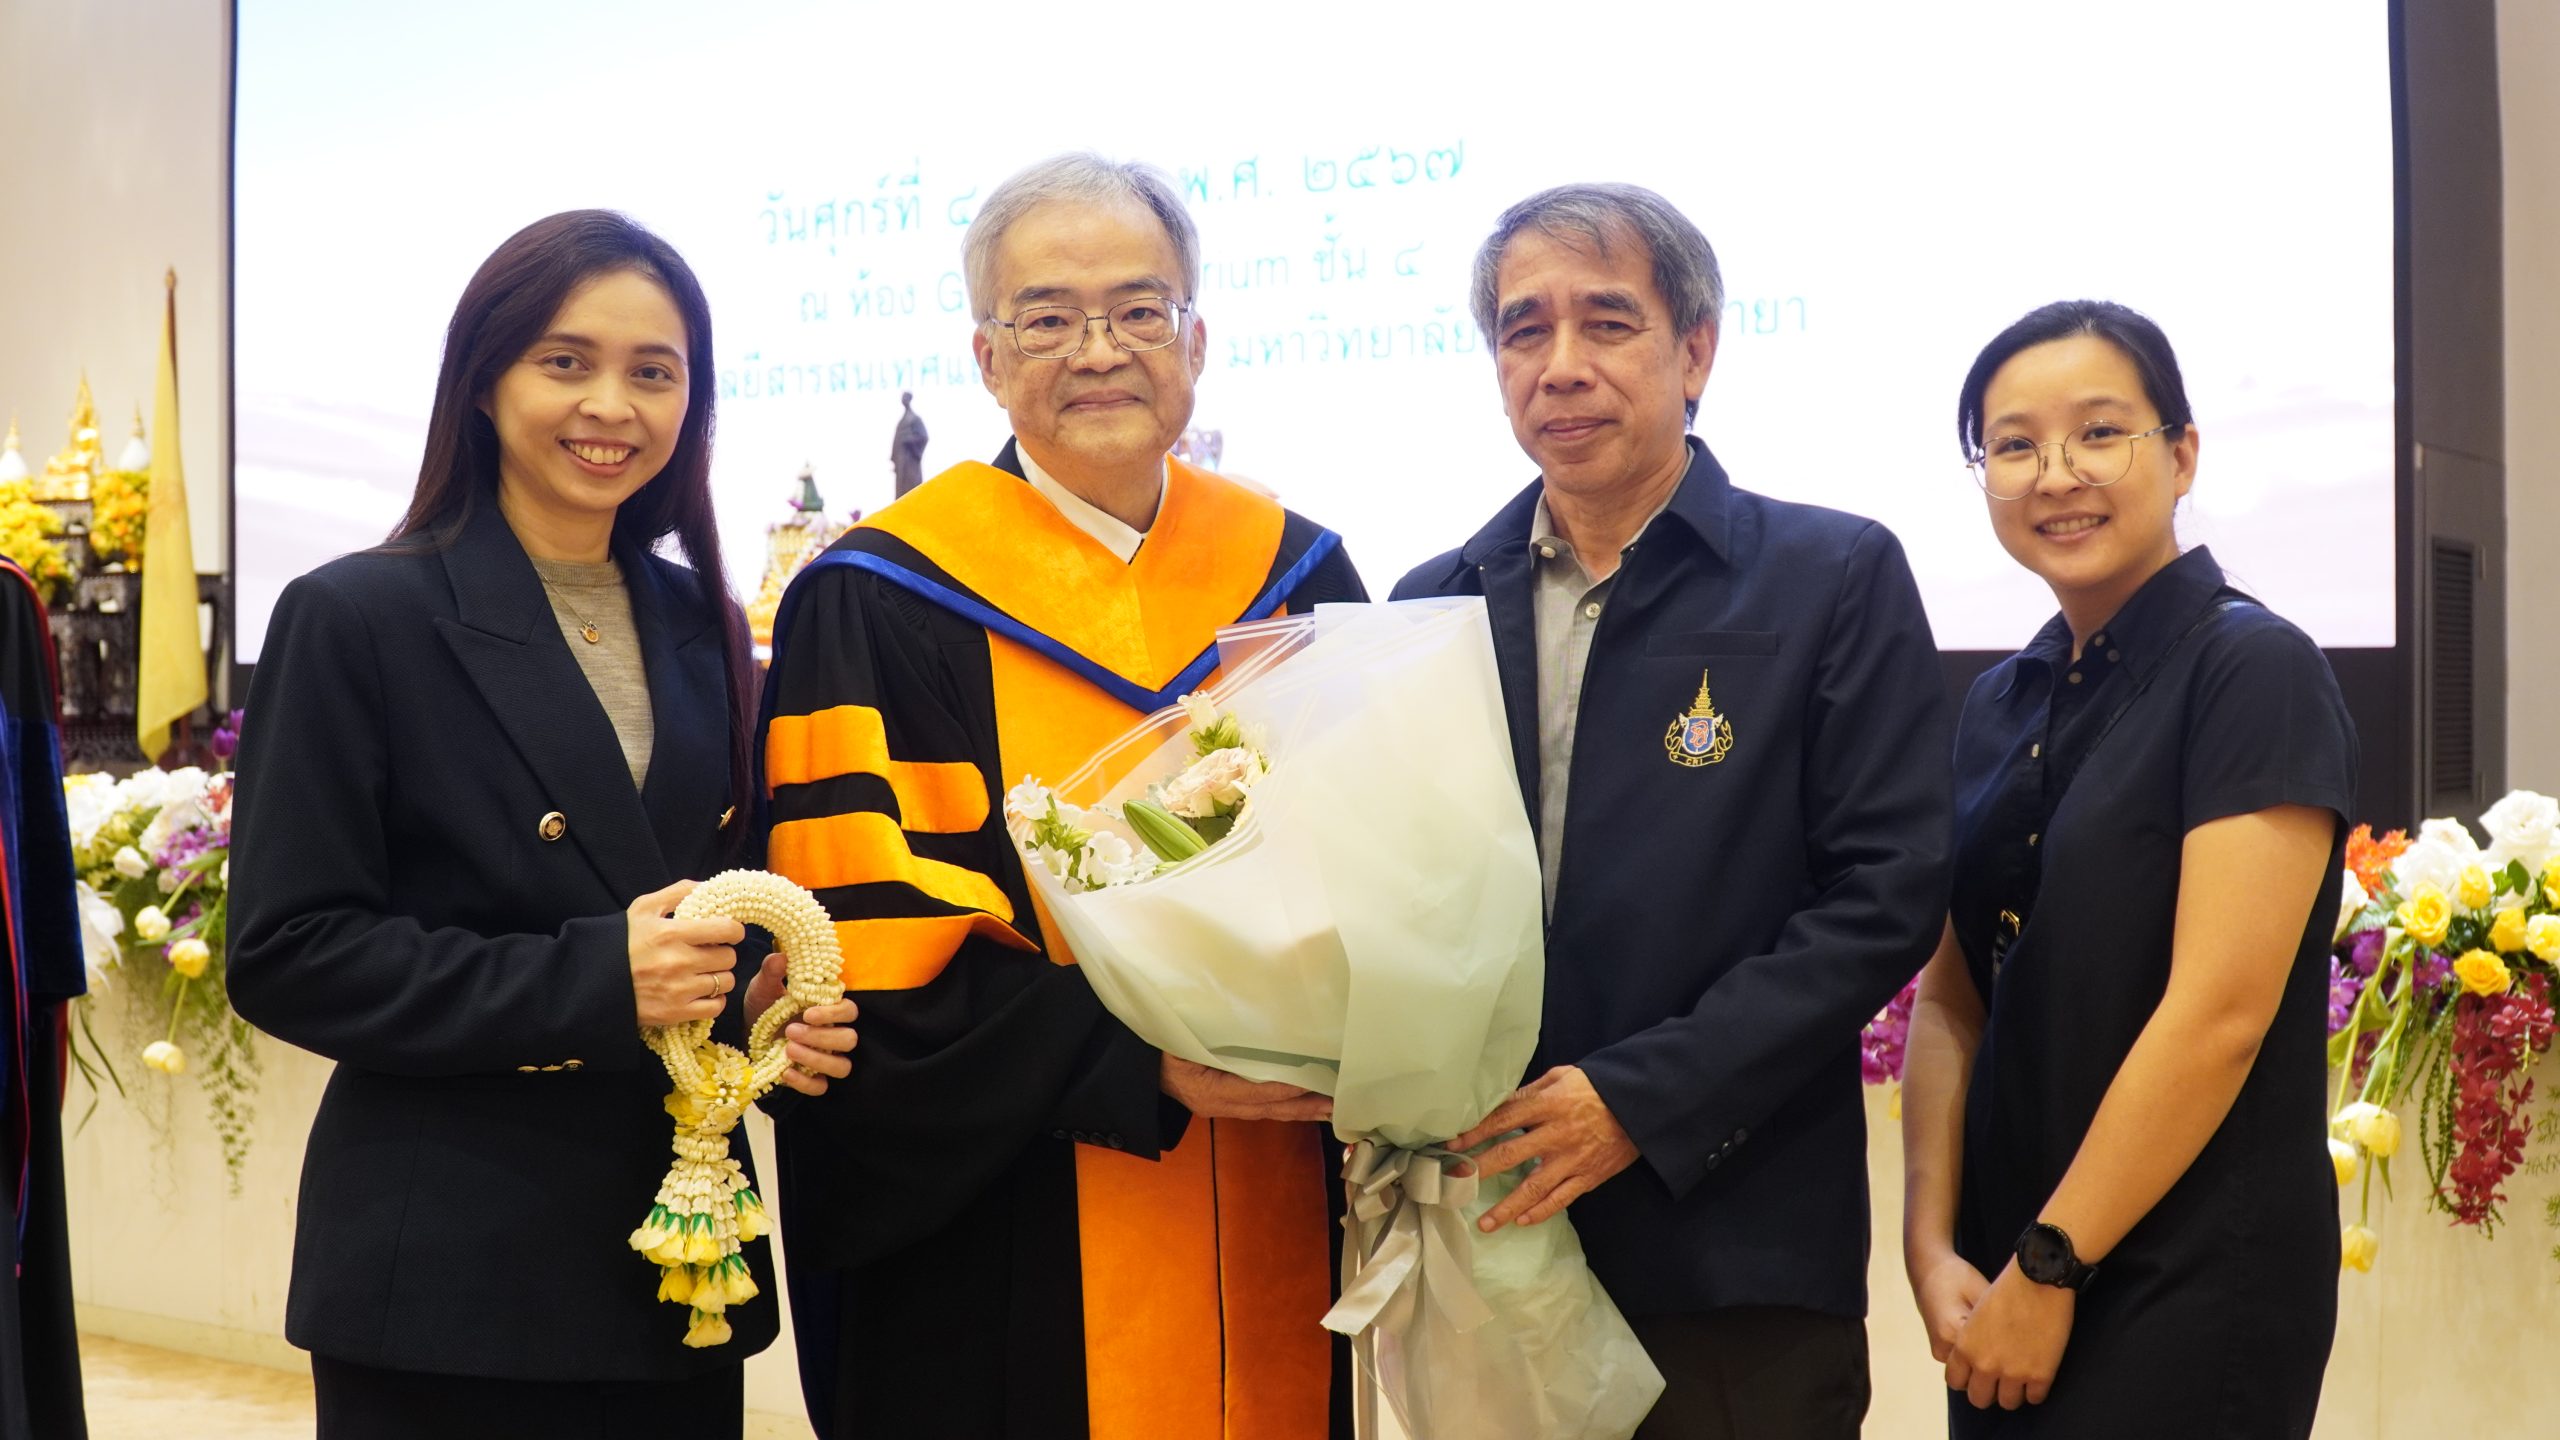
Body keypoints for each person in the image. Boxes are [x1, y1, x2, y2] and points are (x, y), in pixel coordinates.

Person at [757, 153, 1366, 1440]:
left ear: (1194, 341)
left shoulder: (1297, 575)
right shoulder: (875, 600)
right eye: (1047, 319)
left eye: (1139, 310)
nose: (1099, 351)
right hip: (1002, 1251)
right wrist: (1138, 1062)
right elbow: (861, 963)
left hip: (1271, 1176)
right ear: (986, 359)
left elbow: (1387, 860)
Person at [228, 210, 859, 1440]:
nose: (610, 406)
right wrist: (597, 981)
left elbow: (702, 915)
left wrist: (763, 1009)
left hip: (676, 1261)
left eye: (654, 372)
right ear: (482, 381)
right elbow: (289, 952)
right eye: (565, 362)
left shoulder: (708, 625)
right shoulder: (356, 614)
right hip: (453, 1269)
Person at [1392, 183, 1953, 1439]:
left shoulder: (1829, 575)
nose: (1560, 365)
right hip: (1489, 1236)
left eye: (1607, 323)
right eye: (1523, 330)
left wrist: (1639, 1102)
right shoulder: (1430, 603)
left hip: (1732, 1253)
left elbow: (1883, 895)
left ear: (1695, 351)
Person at [1899, 300, 2351, 1436]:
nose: (2056, 475)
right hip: (2002, 1272)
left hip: (2184, 1273)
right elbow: (1952, 998)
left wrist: (2052, 1265)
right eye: (2013, 445)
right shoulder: (2000, 700)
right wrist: (1930, 1243)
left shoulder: (2254, 670)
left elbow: (2219, 1016)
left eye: (2100, 433)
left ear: (2182, 453)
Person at [890, 390, 928, 497]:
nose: (904, 400)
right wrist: (895, 459)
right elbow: (896, 441)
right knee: (901, 492)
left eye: (905, 397)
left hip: (911, 461)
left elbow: (923, 436)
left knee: (912, 490)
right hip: (901, 462)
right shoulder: (901, 421)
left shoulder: (915, 419)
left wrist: (909, 440)